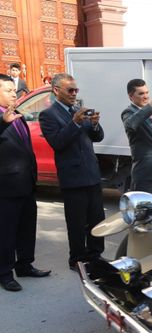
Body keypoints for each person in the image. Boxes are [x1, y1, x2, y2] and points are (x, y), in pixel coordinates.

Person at [40, 73, 105, 272]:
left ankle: (95, 255)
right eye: (70, 90)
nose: (74, 94)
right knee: (77, 222)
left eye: (76, 90)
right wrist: (75, 123)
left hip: (92, 174)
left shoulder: (78, 110)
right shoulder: (48, 115)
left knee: (97, 218)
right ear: (56, 90)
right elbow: (58, 142)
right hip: (73, 178)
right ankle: (77, 258)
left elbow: (97, 137)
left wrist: (94, 123)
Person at [0, 74, 50, 291]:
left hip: (26, 183)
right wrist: (2, 123)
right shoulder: (4, 119)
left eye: (14, 90)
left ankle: (25, 265)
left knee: (26, 228)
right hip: (6, 187)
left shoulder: (17, 114)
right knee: (6, 232)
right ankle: (4, 273)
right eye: (9, 90)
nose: (14, 94)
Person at [121, 79, 152, 200]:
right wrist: (151, 106)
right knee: (145, 212)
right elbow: (131, 124)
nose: (146, 96)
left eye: (147, 92)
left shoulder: (151, 112)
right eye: (141, 93)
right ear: (131, 96)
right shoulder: (128, 112)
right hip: (146, 173)